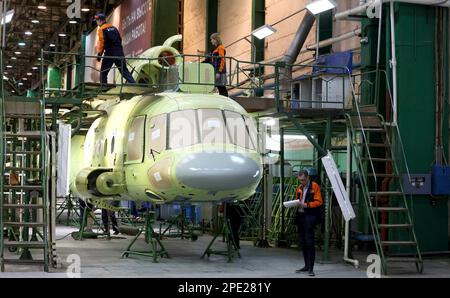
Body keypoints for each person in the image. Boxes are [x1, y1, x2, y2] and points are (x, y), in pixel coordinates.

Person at [294, 170, 323, 276]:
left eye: (303, 180)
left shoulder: (314, 186)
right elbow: (298, 200)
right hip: (301, 217)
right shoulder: (299, 188)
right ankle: (306, 266)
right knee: (303, 242)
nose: (302, 182)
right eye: (300, 180)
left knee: (309, 242)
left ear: (308, 178)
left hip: (310, 217)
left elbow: (319, 201)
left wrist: (307, 205)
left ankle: (311, 268)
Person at [94, 13, 136, 85]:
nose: (96, 22)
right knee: (124, 71)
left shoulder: (101, 29)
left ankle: (104, 89)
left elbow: (102, 43)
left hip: (109, 53)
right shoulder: (114, 28)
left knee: (103, 72)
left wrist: (99, 55)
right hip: (119, 52)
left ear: (100, 21)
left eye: (97, 20)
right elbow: (119, 39)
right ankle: (134, 84)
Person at [200, 33, 228, 97]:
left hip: (219, 71)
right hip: (215, 70)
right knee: (219, 86)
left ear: (215, 39)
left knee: (221, 87)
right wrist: (202, 63)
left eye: (212, 39)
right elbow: (210, 59)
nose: (211, 41)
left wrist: (219, 72)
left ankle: (225, 100)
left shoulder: (220, 48)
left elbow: (222, 60)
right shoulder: (215, 49)